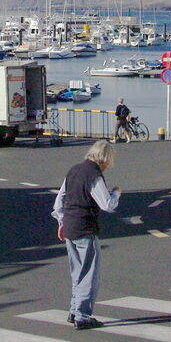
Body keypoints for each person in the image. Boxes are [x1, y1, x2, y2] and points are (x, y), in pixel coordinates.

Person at [51, 140, 121, 330]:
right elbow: (106, 204)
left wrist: (61, 221)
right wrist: (116, 194)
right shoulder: (93, 175)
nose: (108, 166)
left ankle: (74, 310)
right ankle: (82, 316)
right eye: (109, 162)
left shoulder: (74, 170)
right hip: (85, 227)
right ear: (104, 159)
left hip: (70, 227)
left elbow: (60, 200)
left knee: (77, 272)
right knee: (90, 273)